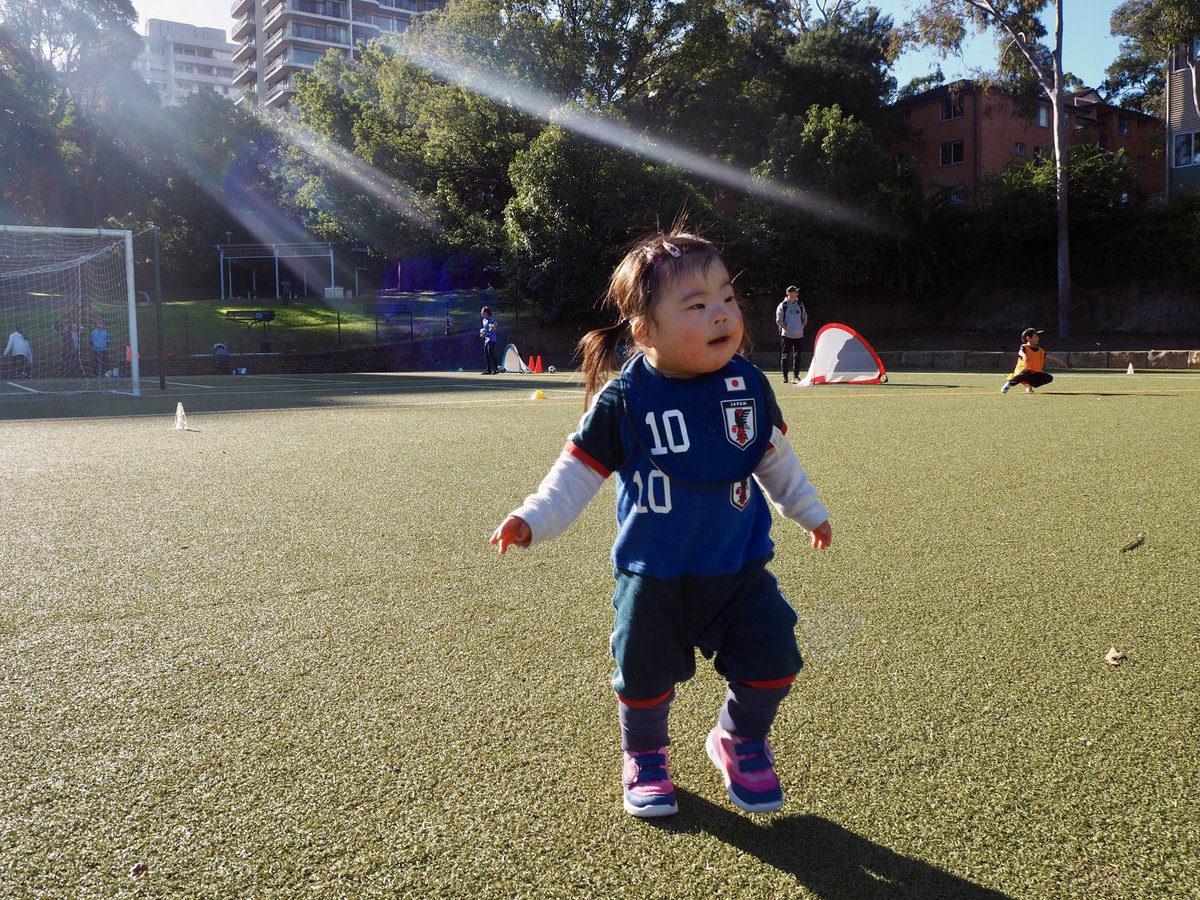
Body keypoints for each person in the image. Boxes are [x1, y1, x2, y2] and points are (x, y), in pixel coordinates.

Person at [490, 230, 832, 819]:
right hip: (654, 573)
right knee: (642, 676)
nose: (721, 313)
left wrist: (807, 509)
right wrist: (533, 517)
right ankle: (646, 756)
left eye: (725, 296)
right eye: (696, 305)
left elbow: (773, 458)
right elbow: (574, 474)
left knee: (776, 661)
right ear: (645, 330)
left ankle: (738, 737)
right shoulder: (625, 399)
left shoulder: (746, 384)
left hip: (739, 568)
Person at [1000, 327, 1065, 394]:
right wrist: (1024, 355)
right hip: (1022, 371)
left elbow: (1048, 356)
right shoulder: (1024, 347)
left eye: (1038, 336)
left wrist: (1060, 361)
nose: (1038, 338)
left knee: (1048, 378)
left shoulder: (1040, 350)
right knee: (1026, 372)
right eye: (1035, 336)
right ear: (1028, 338)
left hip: (1034, 373)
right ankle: (1009, 384)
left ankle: (1029, 385)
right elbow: (1020, 352)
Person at [776, 285, 809, 385]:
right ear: (789, 293)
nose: (796, 293)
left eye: (797, 292)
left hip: (799, 335)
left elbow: (805, 317)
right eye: (794, 292)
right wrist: (787, 328)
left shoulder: (800, 304)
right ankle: (785, 376)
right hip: (786, 335)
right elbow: (778, 319)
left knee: (797, 356)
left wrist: (801, 327)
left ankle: (795, 376)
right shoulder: (783, 305)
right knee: (785, 356)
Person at [480, 305, 498, 374]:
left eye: (482, 312)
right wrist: (482, 333)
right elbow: (485, 330)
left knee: (491, 353)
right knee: (486, 355)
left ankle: (496, 369)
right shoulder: (484, 321)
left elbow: (495, 324)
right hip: (486, 340)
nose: (481, 313)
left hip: (492, 339)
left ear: (486, 313)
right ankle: (488, 370)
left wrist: (493, 328)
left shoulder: (490, 319)